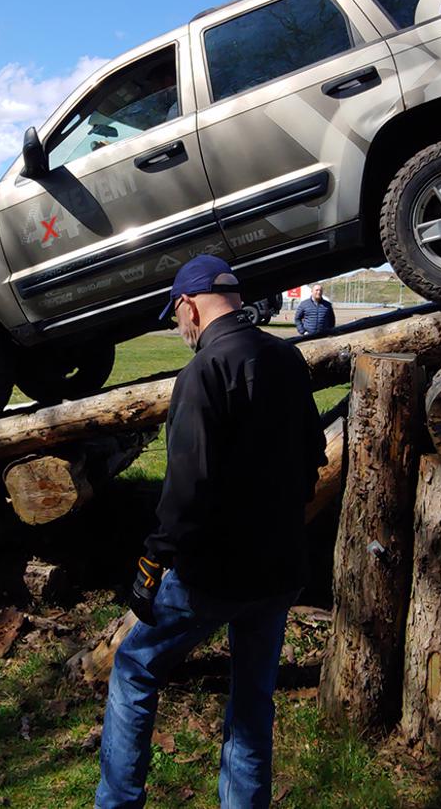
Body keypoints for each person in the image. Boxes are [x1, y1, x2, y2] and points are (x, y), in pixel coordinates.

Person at [96, 254, 328, 809]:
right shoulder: (286, 358)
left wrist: (151, 567)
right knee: (252, 704)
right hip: (280, 570)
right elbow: (313, 457)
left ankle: (116, 803)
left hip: (214, 574)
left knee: (133, 669)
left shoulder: (203, 372)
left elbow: (185, 494)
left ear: (189, 306)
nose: (179, 329)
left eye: (176, 317)